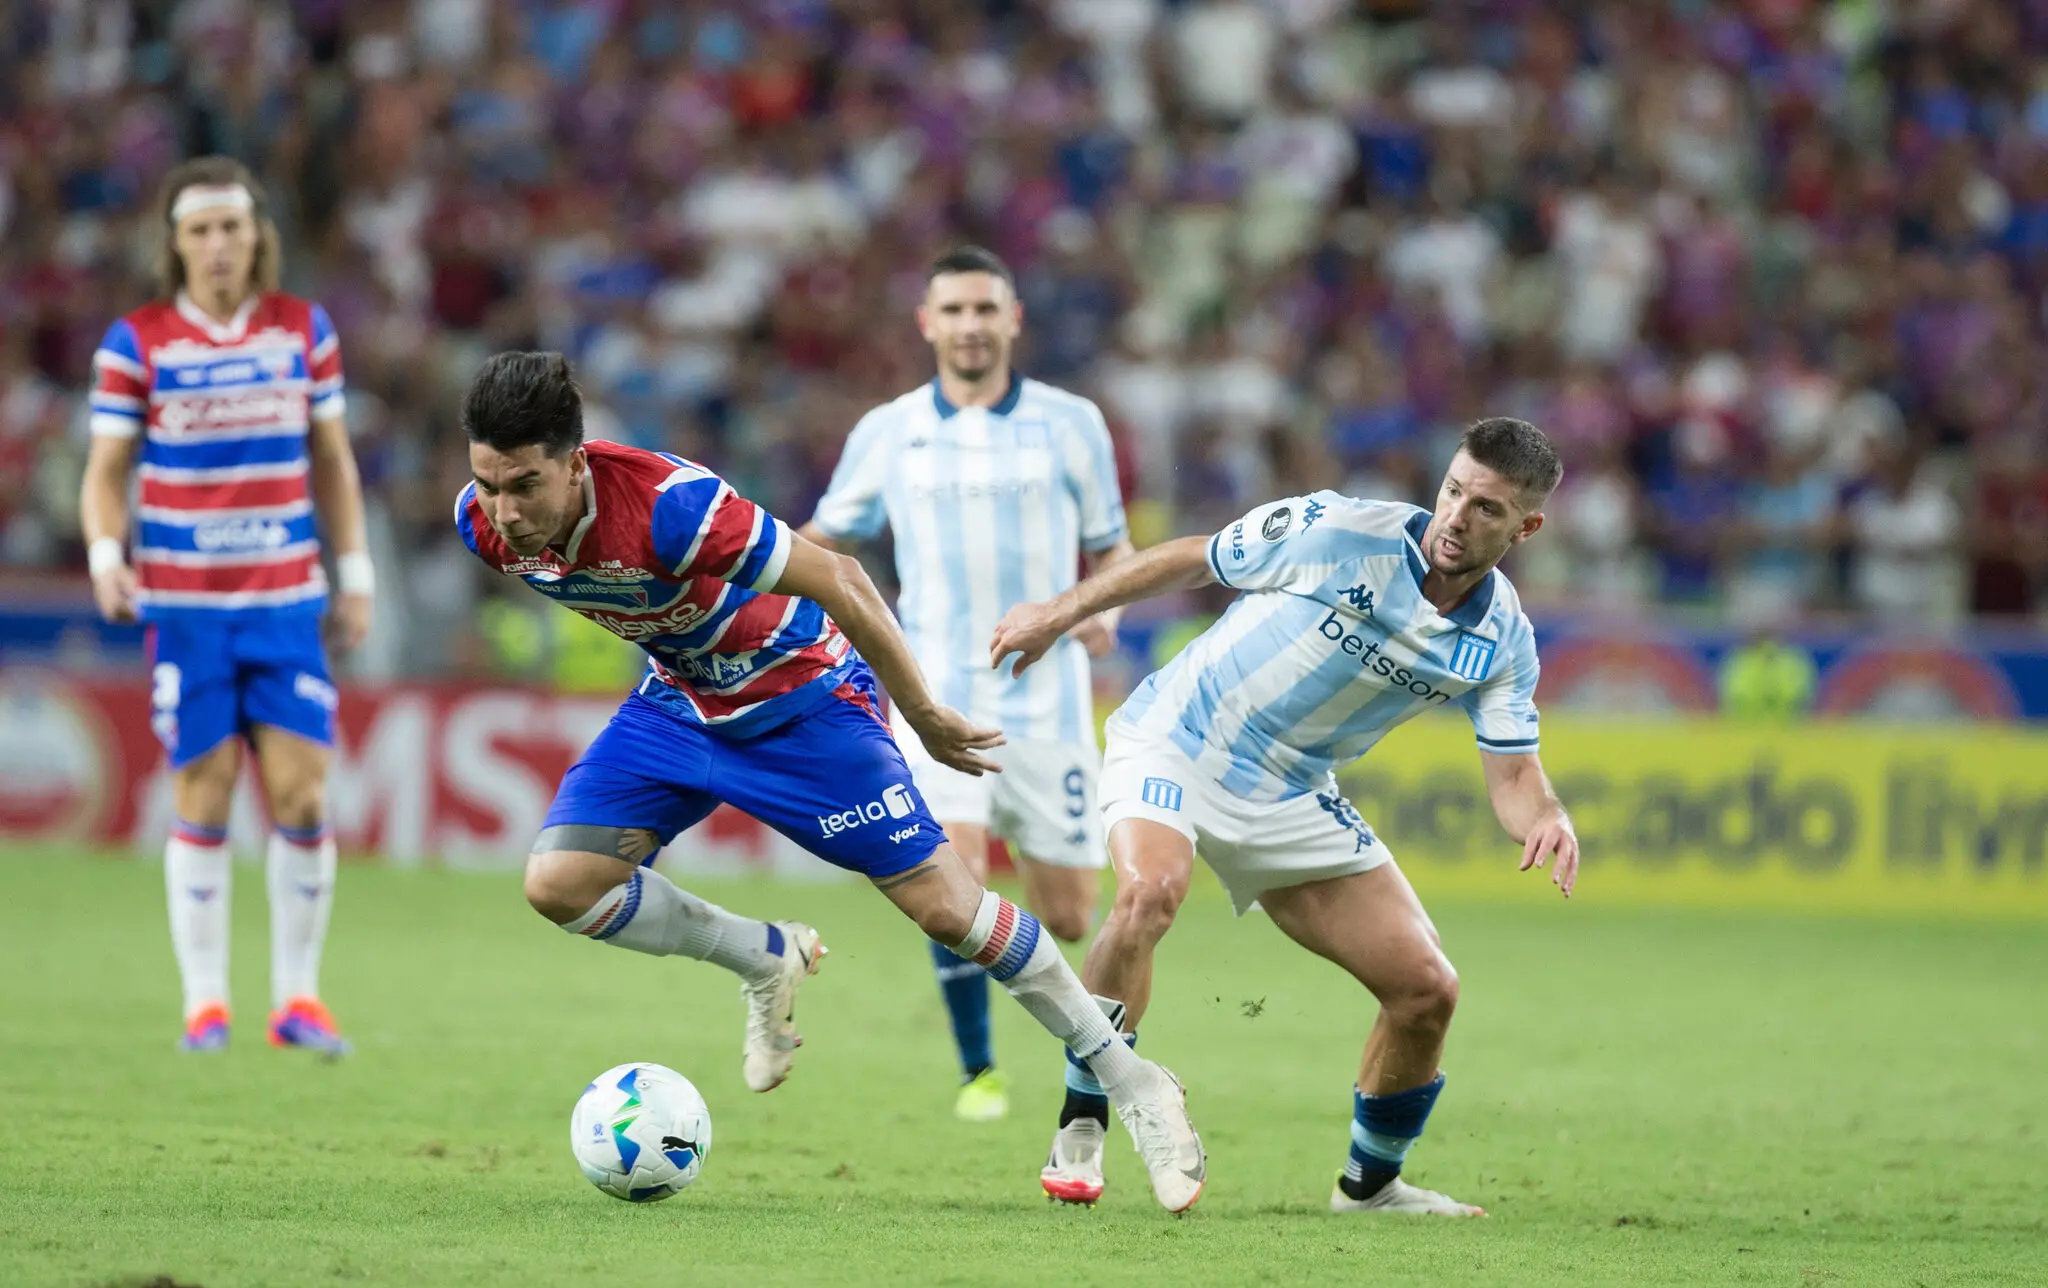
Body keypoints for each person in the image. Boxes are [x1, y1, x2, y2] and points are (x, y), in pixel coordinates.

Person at [451, 351, 1205, 1212]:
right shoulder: (484, 526)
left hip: (803, 699)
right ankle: (765, 956)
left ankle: (1136, 1082)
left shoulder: (674, 509)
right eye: (489, 484)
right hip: (681, 704)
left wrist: (922, 714)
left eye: (525, 485)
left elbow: (843, 577)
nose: (506, 511)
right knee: (558, 883)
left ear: (576, 464)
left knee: (949, 911)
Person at [991, 417, 1581, 1214]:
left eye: (1486, 509)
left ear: (1525, 527)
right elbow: (1194, 556)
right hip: (1179, 736)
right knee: (1149, 892)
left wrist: (1547, 815)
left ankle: (1371, 1186)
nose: (1455, 517)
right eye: (1452, 491)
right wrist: (1058, 612)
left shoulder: (1503, 640)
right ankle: (1084, 1120)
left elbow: (1513, 774)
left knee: (1426, 988)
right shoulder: (1340, 531)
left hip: (1291, 791)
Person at [797, 245, 1131, 1122]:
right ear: (927, 323)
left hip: (1050, 702)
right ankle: (979, 1070)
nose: (971, 326)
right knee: (951, 881)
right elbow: (822, 540)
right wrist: (734, 568)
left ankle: (1037, 987)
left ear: (1013, 318)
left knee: (1071, 913)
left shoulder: (1072, 423)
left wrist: (1106, 607)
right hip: (937, 695)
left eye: (986, 309)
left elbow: (1113, 548)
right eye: (954, 310)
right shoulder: (889, 430)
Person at [80, 157, 372, 1055]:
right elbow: (106, 471)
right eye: (200, 230)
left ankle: (299, 1000)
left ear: (257, 237)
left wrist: (356, 571)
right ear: (174, 243)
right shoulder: (137, 342)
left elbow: (332, 459)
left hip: (284, 600)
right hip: (186, 604)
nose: (217, 246)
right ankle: (205, 1004)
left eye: (231, 228)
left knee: (302, 791)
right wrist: (105, 555)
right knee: (203, 787)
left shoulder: (302, 331)